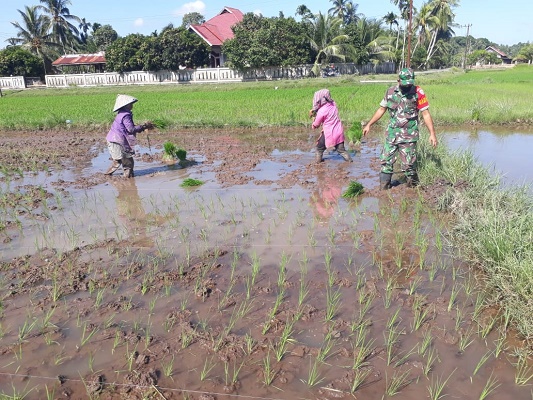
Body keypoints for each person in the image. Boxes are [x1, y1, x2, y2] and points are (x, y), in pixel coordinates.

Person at [362, 68, 438, 190]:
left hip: (409, 135)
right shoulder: (390, 92)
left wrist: (432, 134)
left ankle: (413, 190)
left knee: (409, 165)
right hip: (392, 134)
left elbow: (426, 114)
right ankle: (384, 189)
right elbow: (381, 109)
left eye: (410, 83)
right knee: (386, 161)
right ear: (398, 80)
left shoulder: (418, 92)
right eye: (405, 83)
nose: (408, 86)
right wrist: (369, 124)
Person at [104, 94, 153, 178]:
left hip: (113, 139)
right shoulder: (126, 115)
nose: (132, 105)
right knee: (127, 160)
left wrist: (140, 127)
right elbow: (131, 129)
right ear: (125, 105)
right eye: (130, 104)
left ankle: (107, 175)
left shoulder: (121, 113)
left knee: (118, 160)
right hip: (118, 140)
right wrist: (143, 127)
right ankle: (128, 178)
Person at [309, 88, 352, 164]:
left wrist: (313, 122)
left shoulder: (322, 111)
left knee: (319, 148)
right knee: (341, 150)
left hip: (329, 133)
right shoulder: (333, 105)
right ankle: (350, 161)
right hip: (339, 132)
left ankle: (317, 162)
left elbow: (316, 124)